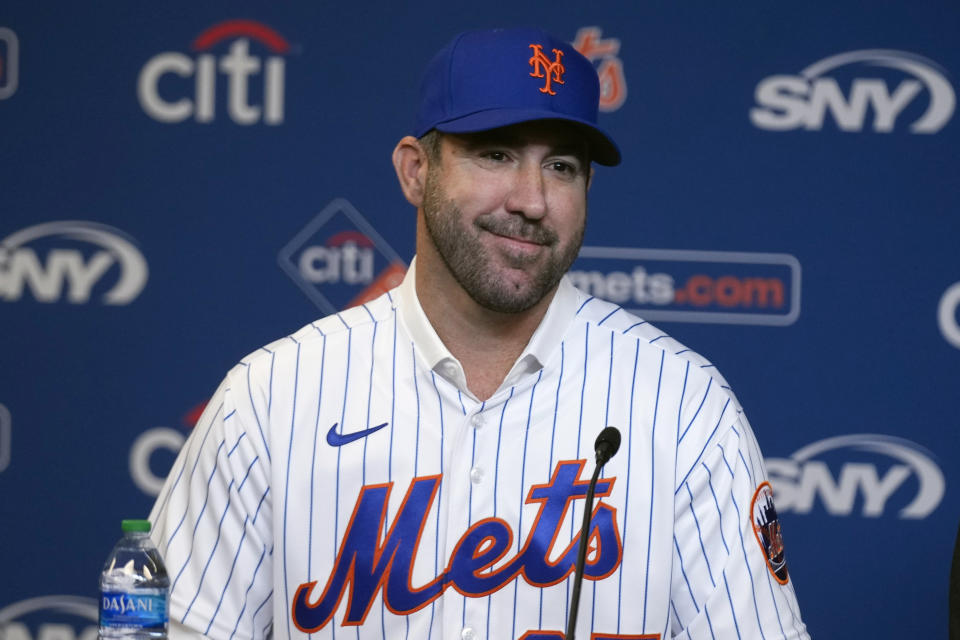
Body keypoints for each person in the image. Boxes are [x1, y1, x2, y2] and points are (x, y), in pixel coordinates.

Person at [150, 27, 810, 640]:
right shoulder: (270, 400)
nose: (531, 199)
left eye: (562, 167)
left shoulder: (683, 405)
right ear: (416, 171)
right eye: (495, 154)